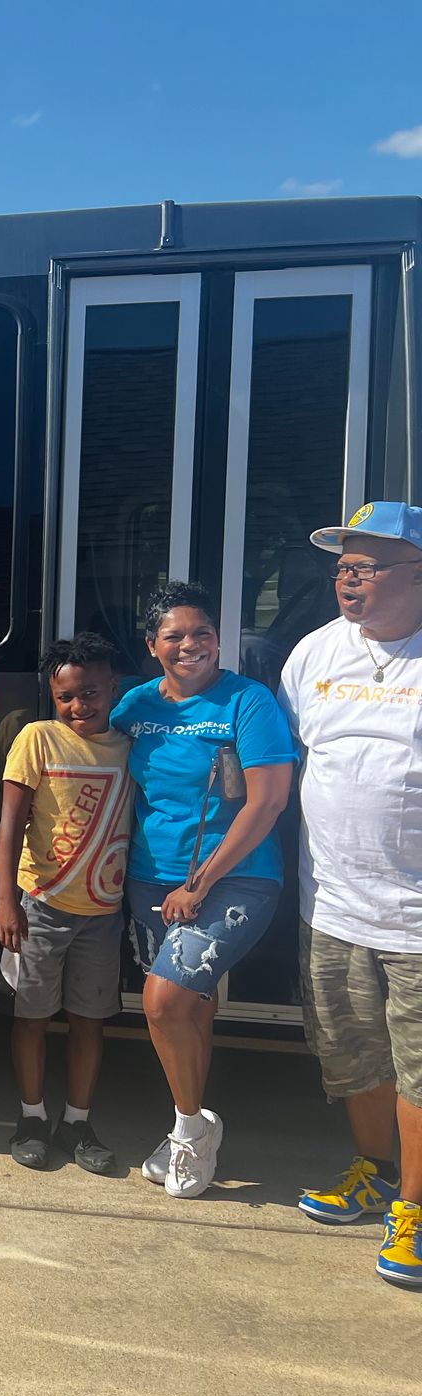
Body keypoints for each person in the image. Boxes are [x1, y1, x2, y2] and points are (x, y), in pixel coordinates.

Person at [275, 501, 422, 1286]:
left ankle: (417, 1209)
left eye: (364, 567)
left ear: (417, 575)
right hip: (330, 906)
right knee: (353, 1057)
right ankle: (376, 1173)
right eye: (341, 567)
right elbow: (293, 755)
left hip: (417, 921)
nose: (346, 581)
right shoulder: (316, 651)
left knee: (420, 1070)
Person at [112, 582, 294, 1199]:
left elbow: (268, 802)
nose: (191, 645)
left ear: (218, 637)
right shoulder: (135, 707)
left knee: (161, 1003)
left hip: (235, 877)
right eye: (175, 636)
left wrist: (200, 883)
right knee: (189, 1006)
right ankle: (188, 1122)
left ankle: (190, 1132)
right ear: (151, 645)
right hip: (149, 876)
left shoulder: (249, 701)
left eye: (203, 633)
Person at [0, 633, 130, 1174]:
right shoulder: (37, 737)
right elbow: (9, 825)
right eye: (67, 696)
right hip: (39, 905)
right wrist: (8, 901)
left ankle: (77, 1121)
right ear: (53, 695)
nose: (79, 706)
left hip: (102, 912)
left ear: (114, 688)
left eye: (91, 693)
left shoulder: (126, 744)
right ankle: (31, 1117)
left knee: (89, 1021)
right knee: (30, 1016)